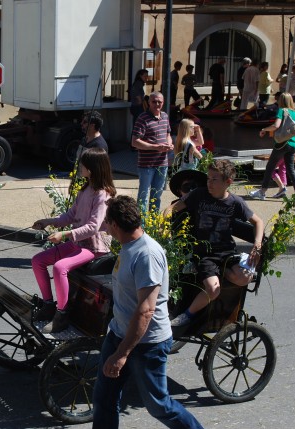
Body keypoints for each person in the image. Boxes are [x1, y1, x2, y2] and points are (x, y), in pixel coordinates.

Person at [92, 195, 203, 429]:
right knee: (104, 398)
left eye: (106, 222)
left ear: (114, 225)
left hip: (147, 344)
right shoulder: (127, 246)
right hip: (119, 334)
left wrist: (122, 354)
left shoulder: (147, 254)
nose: (104, 226)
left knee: (158, 405)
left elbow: (146, 310)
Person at [171, 160, 264, 327]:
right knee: (214, 290)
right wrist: (163, 224)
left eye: (214, 179)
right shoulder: (198, 194)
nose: (209, 182)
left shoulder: (235, 202)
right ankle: (187, 315)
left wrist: (257, 243)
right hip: (205, 254)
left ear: (228, 182)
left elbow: (258, 222)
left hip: (226, 252)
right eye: (208, 178)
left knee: (246, 278)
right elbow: (172, 209)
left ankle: (220, 272)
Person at [31, 148, 116, 333]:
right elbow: (70, 215)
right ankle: (48, 304)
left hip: (95, 247)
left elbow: (93, 227)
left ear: (91, 168)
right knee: (38, 261)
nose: (79, 167)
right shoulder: (86, 189)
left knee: (60, 267)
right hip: (78, 244)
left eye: (82, 164)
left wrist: (64, 235)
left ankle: (62, 314)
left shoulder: (102, 195)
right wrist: (48, 222)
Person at [250, 92, 295, 199]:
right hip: (292, 144)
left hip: (282, 144)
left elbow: (276, 125)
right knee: (291, 169)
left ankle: (262, 192)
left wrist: (264, 129)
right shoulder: (294, 113)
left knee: (270, 167)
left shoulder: (282, 111)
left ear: (281, 101)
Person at [131, 91, 173, 213]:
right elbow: (135, 142)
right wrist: (156, 147)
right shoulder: (142, 118)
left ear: (163, 103)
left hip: (162, 164)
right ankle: (142, 222)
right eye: (154, 101)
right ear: (149, 102)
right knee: (143, 195)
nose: (157, 104)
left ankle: (152, 222)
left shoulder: (165, 116)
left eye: (159, 102)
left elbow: (168, 133)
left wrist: (169, 143)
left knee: (157, 196)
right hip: (146, 165)